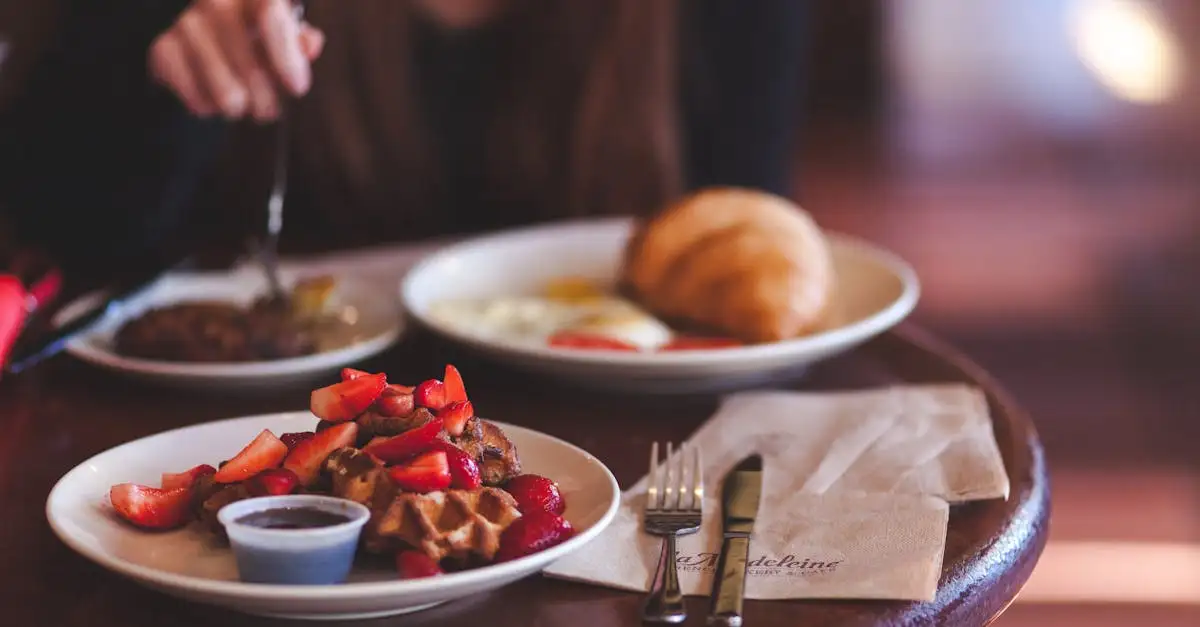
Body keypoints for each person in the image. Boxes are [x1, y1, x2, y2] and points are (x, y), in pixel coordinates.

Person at [0, 0, 810, 277]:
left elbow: (750, 243)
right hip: (239, 476)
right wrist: (174, 84)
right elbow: (63, 226)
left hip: (626, 479)